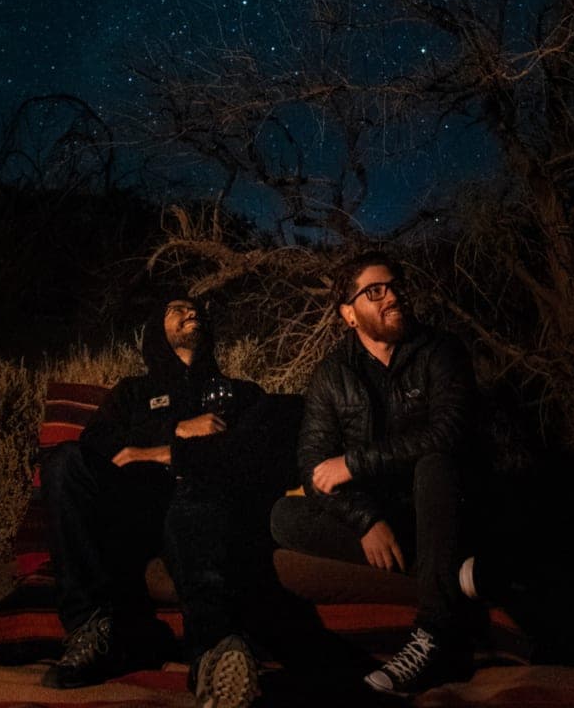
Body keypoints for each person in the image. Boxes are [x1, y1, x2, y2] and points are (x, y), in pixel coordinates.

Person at [40, 291, 269, 706]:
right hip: (134, 505)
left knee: (196, 509)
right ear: (154, 331)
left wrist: (161, 453)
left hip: (199, 502)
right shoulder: (132, 393)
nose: (190, 312)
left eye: (194, 309)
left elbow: (254, 450)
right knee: (65, 461)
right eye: (176, 309)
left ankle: (216, 658)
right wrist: (176, 431)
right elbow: (99, 443)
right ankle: (91, 627)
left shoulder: (238, 393)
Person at [270, 250, 482, 696]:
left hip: (441, 502)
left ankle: (434, 634)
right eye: (375, 291)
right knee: (284, 517)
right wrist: (365, 520)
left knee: (435, 467)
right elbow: (314, 468)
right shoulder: (332, 374)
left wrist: (354, 462)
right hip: (386, 514)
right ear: (349, 313)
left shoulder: (440, 351)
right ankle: (451, 571)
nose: (393, 297)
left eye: (395, 286)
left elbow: (449, 433)